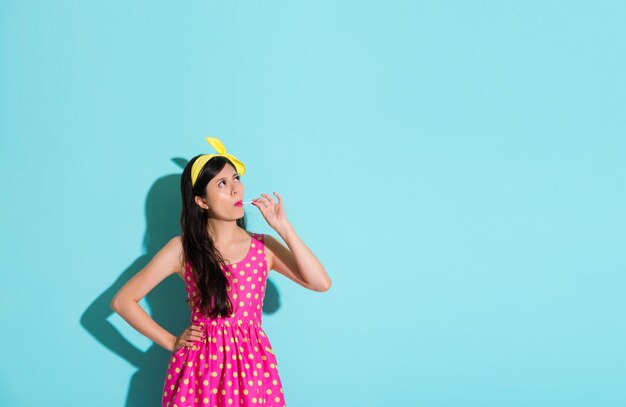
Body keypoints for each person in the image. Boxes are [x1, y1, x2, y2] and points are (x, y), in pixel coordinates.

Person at [111, 136, 332, 407]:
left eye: (236, 178)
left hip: (252, 368)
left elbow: (320, 282)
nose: (236, 189)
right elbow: (123, 301)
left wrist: (283, 227)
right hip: (199, 370)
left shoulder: (264, 247)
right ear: (201, 201)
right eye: (222, 183)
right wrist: (170, 341)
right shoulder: (182, 249)